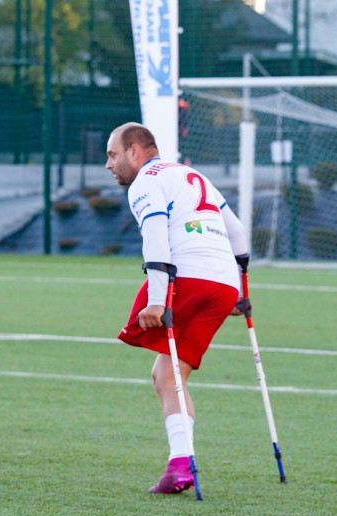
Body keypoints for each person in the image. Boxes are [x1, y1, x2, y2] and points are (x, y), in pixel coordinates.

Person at [105, 122, 249, 494]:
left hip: (186, 277)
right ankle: (180, 465)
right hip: (222, 284)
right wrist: (239, 289)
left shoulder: (144, 183)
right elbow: (237, 233)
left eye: (112, 155)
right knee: (167, 375)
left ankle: (182, 463)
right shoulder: (190, 173)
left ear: (135, 151)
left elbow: (155, 234)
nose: (109, 165)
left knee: (162, 367)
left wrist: (156, 299)